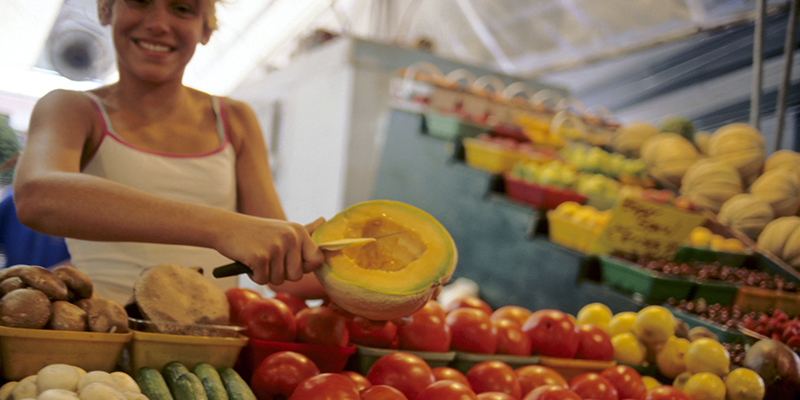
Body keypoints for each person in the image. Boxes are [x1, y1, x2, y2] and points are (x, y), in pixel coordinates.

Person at [12, 0, 325, 305]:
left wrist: (361, 280)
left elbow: (282, 269)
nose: (158, 24)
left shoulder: (234, 119)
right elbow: (38, 196)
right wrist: (226, 228)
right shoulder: (72, 109)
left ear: (206, 29)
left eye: (182, 8)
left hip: (211, 348)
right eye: (140, 1)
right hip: (105, 340)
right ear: (105, 9)